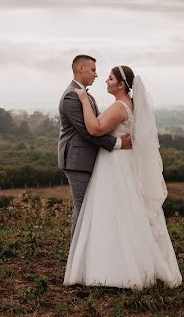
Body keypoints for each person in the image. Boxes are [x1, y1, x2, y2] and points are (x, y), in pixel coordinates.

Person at [63, 64, 182, 289]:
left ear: (120, 84)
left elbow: (95, 129)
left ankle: (115, 268)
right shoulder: (131, 104)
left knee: (113, 211)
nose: (105, 81)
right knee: (127, 211)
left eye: (109, 79)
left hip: (115, 164)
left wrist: (84, 100)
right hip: (123, 162)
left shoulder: (120, 106)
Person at [58, 55, 132, 237]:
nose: (96, 75)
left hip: (89, 160)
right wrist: (118, 142)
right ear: (81, 68)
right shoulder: (71, 95)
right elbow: (87, 131)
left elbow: (99, 125)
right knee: (83, 209)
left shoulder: (85, 94)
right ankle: (77, 256)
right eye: (93, 70)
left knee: (89, 209)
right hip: (77, 161)